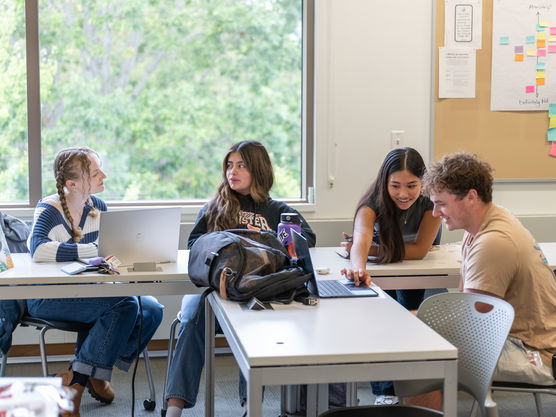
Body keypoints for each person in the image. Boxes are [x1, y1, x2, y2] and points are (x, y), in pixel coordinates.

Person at [165, 140, 316, 417]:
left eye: (241, 166)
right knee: (191, 317)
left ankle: (250, 407)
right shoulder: (214, 207)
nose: (232, 172)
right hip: (214, 291)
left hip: (259, 291)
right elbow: (194, 245)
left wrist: (268, 239)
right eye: (229, 166)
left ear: (258, 170)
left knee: (255, 325)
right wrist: (230, 240)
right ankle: (175, 407)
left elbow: (307, 242)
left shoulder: (278, 209)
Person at [27, 146, 164, 417]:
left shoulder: (97, 208)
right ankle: (81, 383)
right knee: (124, 306)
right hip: (47, 298)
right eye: (95, 172)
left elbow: (108, 253)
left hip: (92, 292)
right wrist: (96, 252)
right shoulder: (49, 209)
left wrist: (116, 257)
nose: (104, 175)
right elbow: (38, 249)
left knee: (151, 309)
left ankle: (86, 371)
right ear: (72, 183)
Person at [422, 152, 556, 386]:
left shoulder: (493, 241)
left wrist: (413, 318)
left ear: (471, 197)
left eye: (441, 204)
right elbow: (466, 305)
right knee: (423, 341)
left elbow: (472, 320)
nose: (435, 213)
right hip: (513, 337)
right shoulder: (481, 225)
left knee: (423, 357)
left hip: (534, 352)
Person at [341, 147, 442, 405]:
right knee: (381, 316)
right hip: (388, 270)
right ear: (384, 182)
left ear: (424, 182)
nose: (403, 194)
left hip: (419, 271)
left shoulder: (433, 202)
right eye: (395, 185)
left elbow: (419, 251)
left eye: (412, 185)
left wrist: (373, 250)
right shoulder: (371, 202)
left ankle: (416, 386)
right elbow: (361, 238)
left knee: (414, 314)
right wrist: (358, 267)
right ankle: (386, 389)